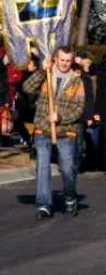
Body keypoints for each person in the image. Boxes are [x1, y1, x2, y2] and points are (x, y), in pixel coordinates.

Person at [23, 46, 86, 220]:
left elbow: (79, 108)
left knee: (67, 169)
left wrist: (60, 117)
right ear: (56, 59)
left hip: (65, 132)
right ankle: (44, 204)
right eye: (62, 60)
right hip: (42, 129)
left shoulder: (76, 81)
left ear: (71, 61)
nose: (65, 64)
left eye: (68, 60)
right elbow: (27, 88)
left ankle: (70, 196)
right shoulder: (46, 74)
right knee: (42, 168)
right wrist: (42, 72)